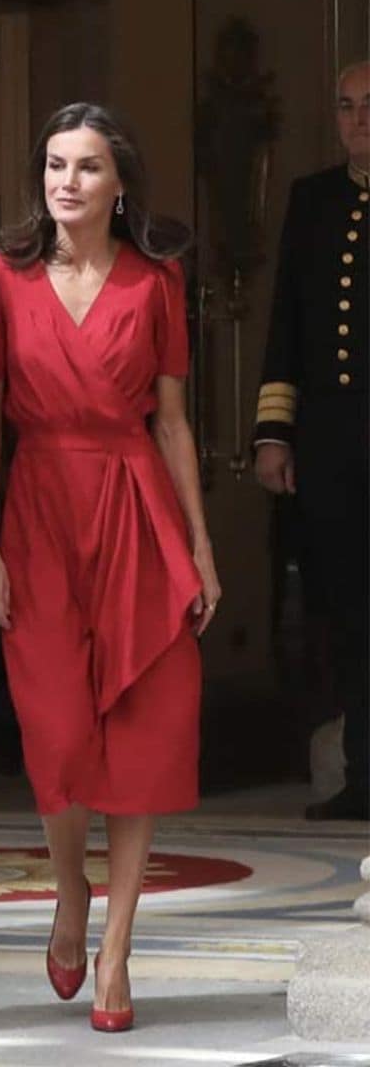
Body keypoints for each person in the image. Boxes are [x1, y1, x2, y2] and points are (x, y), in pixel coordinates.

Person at [0, 103, 216, 1033]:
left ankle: (115, 952)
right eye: (54, 164)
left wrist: (197, 543)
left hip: (136, 507)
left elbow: (175, 421)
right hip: (36, 512)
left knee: (142, 731)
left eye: (87, 167)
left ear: (120, 186)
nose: (65, 181)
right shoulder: (2, 276)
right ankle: (69, 889)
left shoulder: (158, 282)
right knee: (59, 733)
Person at [253, 61, 369, 822]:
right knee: (351, 612)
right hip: (334, 447)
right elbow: (289, 324)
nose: (358, 118)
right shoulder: (314, 200)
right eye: (346, 106)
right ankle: (363, 775)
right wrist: (274, 432)